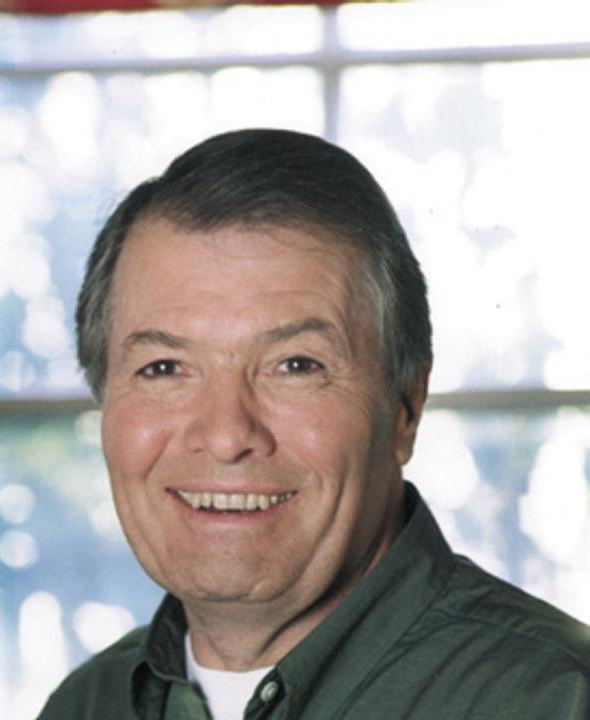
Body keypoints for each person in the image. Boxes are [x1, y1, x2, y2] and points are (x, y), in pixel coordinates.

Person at [37, 129, 590, 719]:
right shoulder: (85, 706)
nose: (226, 436)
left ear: (405, 406)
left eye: (296, 366)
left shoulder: (558, 701)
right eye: (164, 367)